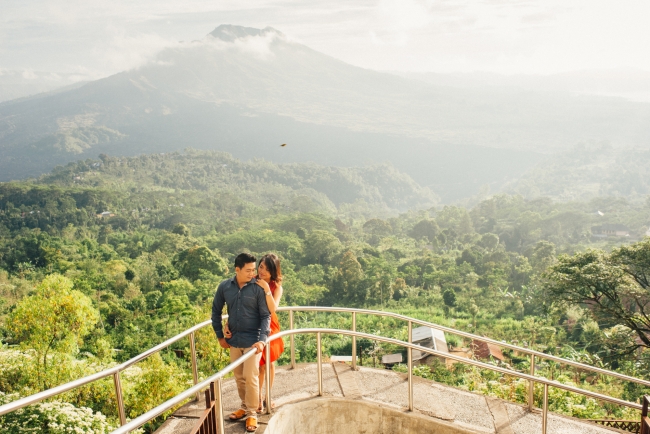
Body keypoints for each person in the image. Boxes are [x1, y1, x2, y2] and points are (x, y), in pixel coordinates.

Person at [212, 253, 270, 433]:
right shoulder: (225, 287)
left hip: (254, 342)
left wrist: (262, 340)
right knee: (239, 377)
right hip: (234, 340)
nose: (253, 274)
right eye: (248, 270)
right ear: (237, 269)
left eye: (254, 270)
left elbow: (265, 316)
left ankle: (253, 413)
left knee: (251, 377)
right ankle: (244, 407)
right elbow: (215, 312)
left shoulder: (257, 288)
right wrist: (220, 336)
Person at [224, 254, 285, 411]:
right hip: (252, 326)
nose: (262, 271)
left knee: (268, 362)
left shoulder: (276, 287)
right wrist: (228, 323)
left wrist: (266, 289)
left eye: (267, 268)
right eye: (261, 266)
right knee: (259, 365)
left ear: (273, 271)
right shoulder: (252, 280)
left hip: (269, 325)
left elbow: (273, 309)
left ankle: (268, 396)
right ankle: (257, 398)